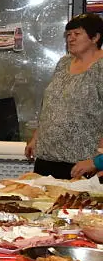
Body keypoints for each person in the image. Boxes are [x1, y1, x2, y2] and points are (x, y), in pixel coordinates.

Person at [26, 13, 103, 178]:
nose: (71, 39)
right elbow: (51, 104)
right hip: (47, 158)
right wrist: (36, 137)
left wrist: (98, 160)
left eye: (77, 34)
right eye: (68, 35)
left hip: (82, 163)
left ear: (95, 37)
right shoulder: (63, 63)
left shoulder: (100, 68)